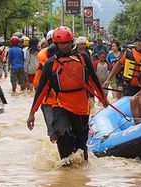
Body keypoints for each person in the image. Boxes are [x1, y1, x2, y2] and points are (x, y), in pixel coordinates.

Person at [27, 26, 108, 161]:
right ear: (56, 44)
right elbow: (41, 90)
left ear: (72, 43)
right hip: (60, 105)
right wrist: (32, 113)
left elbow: (94, 80)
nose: (64, 46)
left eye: (67, 42)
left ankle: (82, 172)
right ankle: (65, 167)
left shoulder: (83, 58)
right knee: (63, 135)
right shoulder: (50, 64)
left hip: (81, 106)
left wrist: (104, 100)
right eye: (61, 43)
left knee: (81, 142)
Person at [104, 31, 141, 96]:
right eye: (139, 41)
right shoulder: (128, 52)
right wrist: (108, 79)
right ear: (136, 42)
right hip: (128, 87)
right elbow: (118, 65)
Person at [33, 30, 58, 142]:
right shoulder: (44, 64)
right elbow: (38, 87)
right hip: (48, 101)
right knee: (53, 132)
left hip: (63, 102)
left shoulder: (69, 59)